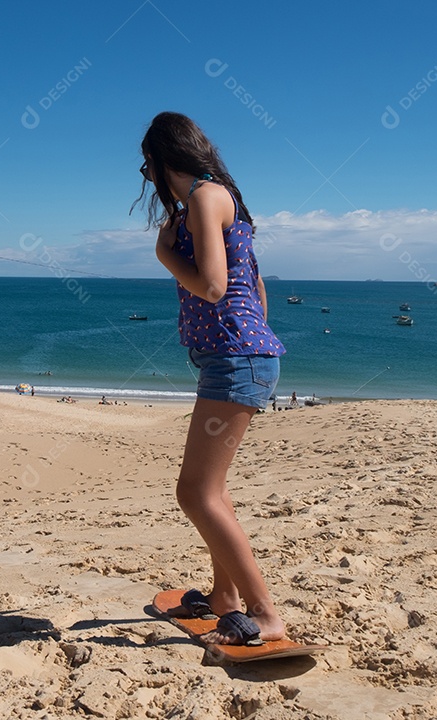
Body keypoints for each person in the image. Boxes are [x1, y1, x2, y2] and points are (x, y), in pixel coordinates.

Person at [132, 111, 286, 645]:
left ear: (158, 158)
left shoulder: (203, 196)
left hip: (233, 357)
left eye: (145, 163)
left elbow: (216, 287)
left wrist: (163, 255)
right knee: (212, 491)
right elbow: (256, 288)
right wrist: (252, 342)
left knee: (194, 494)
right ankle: (225, 598)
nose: (145, 175)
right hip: (236, 354)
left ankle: (265, 614)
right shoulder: (224, 199)